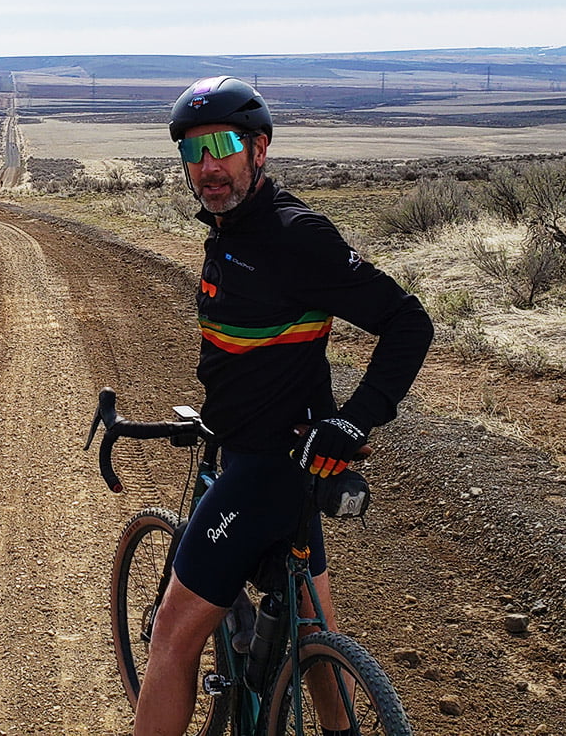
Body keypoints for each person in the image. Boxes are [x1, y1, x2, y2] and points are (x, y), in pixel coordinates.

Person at [134, 76, 433, 736]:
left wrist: (356, 417)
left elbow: (408, 322)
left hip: (265, 469)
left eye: (223, 146)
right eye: (192, 150)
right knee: (315, 635)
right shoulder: (229, 230)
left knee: (171, 637)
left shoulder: (294, 235)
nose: (207, 165)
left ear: (259, 149)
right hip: (293, 462)